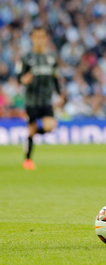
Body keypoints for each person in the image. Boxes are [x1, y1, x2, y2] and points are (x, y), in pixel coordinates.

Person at [17, 27, 62, 170]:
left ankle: (29, 138)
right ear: (32, 38)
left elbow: (55, 78)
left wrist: (59, 93)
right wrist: (24, 79)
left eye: (42, 37)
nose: (39, 40)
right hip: (31, 100)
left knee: (50, 126)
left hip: (46, 100)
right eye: (36, 37)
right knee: (32, 128)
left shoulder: (52, 58)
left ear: (46, 38)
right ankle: (28, 160)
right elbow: (19, 78)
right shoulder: (26, 58)